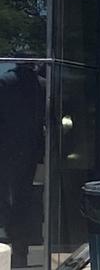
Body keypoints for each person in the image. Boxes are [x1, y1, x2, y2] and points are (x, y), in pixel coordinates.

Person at [0, 60, 46, 267]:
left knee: (12, 197)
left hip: (9, 148)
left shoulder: (5, 82)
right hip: (27, 150)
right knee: (21, 196)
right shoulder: (41, 85)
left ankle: (17, 244)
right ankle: (20, 247)